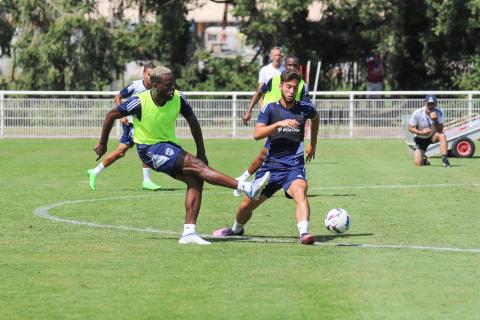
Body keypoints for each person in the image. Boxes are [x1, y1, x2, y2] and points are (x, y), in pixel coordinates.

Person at [93, 66, 271, 245]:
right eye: (168, 85)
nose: (173, 88)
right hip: (149, 149)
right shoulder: (139, 101)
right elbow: (111, 115)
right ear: (155, 85)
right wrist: (103, 143)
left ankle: (188, 233)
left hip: (168, 145)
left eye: (173, 83)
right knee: (196, 166)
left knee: (195, 179)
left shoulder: (178, 98)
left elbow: (193, 122)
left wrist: (201, 151)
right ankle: (246, 187)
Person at [212, 69, 320, 245]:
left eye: (294, 87)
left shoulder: (305, 108)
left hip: (293, 167)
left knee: (300, 191)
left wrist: (313, 144)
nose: (291, 91)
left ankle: (304, 233)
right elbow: (257, 134)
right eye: (288, 87)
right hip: (270, 168)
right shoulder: (271, 108)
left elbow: (316, 118)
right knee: (246, 206)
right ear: (280, 86)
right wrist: (279, 124)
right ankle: (235, 230)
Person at [233, 56, 310, 197]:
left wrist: (305, 128)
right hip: (273, 120)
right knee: (265, 153)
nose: (292, 68)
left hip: (291, 125)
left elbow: (307, 108)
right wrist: (249, 110)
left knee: (266, 153)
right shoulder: (274, 80)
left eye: (294, 65)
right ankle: (245, 182)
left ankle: (244, 181)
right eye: (289, 65)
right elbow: (260, 92)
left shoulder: (302, 85)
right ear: (284, 65)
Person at [87, 63, 162, 191]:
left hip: (143, 124)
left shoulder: (155, 89)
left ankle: (95, 171)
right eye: (149, 75)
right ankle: (146, 180)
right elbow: (118, 97)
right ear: (144, 74)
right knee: (145, 144)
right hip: (131, 123)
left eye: (153, 75)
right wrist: (122, 116)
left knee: (120, 152)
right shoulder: (136, 86)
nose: (151, 77)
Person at [408, 95, 451, 167]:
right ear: (424, 103)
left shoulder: (439, 112)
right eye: (428, 104)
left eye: (432, 104)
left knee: (442, 135)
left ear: (436, 104)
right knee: (417, 164)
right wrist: (422, 132)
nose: (430, 106)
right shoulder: (417, 113)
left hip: (432, 136)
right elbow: (410, 128)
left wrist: (435, 120)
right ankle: (424, 160)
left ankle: (445, 161)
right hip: (421, 138)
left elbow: (440, 130)